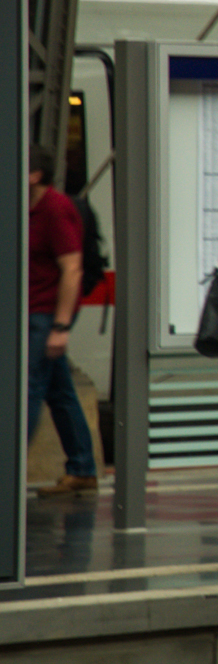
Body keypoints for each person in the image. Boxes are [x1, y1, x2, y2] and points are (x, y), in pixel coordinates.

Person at [27, 145, 99, 496]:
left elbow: (72, 267)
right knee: (59, 392)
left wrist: (60, 326)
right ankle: (82, 468)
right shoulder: (24, 208)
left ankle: (8, 470)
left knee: (26, 392)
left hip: (44, 315)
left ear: (34, 176)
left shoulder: (55, 210)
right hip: (29, 313)